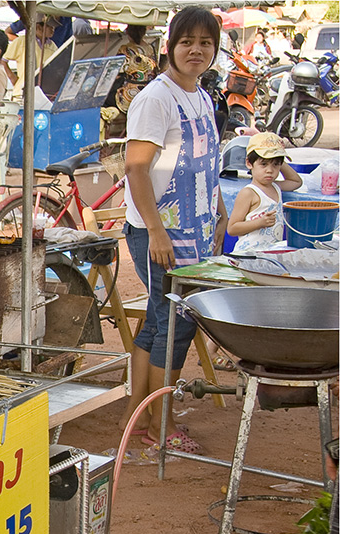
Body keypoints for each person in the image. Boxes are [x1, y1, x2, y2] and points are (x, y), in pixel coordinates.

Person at [118, 6, 228, 454]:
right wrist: (157, 231)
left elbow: (206, 164)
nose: (196, 51)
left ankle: (136, 416)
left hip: (194, 229)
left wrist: (218, 212)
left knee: (163, 320)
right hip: (159, 233)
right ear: (171, 47)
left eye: (206, 43)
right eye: (187, 42)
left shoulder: (200, 94)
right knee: (176, 325)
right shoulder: (156, 99)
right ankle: (160, 425)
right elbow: (137, 170)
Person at [226, 132, 302, 253]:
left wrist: (278, 157)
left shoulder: (276, 187)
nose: (269, 171)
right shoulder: (249, 193)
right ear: (249, 163)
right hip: (248, 254)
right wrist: (259, 223)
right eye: (263, 164)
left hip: (269, 254)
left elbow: (296, 181)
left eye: (275, 165)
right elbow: (232, 228)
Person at [2, 15, 59, 101]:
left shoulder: (53, 46)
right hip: (21, 93)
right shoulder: (22, 41)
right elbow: (3, 60)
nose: (53, 29)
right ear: (39, 27)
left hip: (44, 94)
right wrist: (12, 77)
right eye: (49, 26)